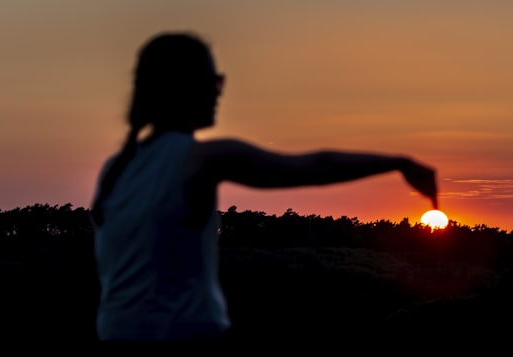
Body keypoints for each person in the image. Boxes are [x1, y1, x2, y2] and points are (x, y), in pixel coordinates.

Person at [90, 32, 438, 347]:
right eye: (213, 82)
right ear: (183, 87)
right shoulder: (200, 158)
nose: (218, 92)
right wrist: (399, 163)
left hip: (117, 337)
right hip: (183, 339)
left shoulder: (115, 170)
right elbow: (316, 167)